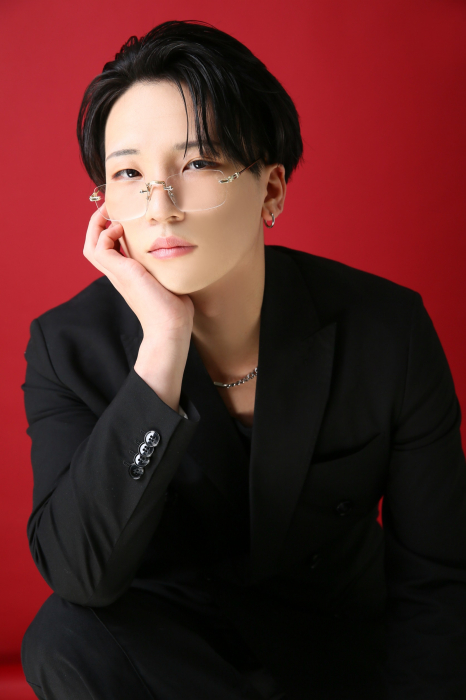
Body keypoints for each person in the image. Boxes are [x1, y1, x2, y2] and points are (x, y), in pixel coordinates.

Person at [20, 19, 466, 700]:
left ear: (272, 188)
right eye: (129, 174)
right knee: (63, 637)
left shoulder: (387, 329)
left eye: (197, 164)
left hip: (339, 659)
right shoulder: (67, 347)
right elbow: (81, 574)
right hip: (177, 671)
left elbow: (437, 576)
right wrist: (162, 348)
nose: (160, 206)